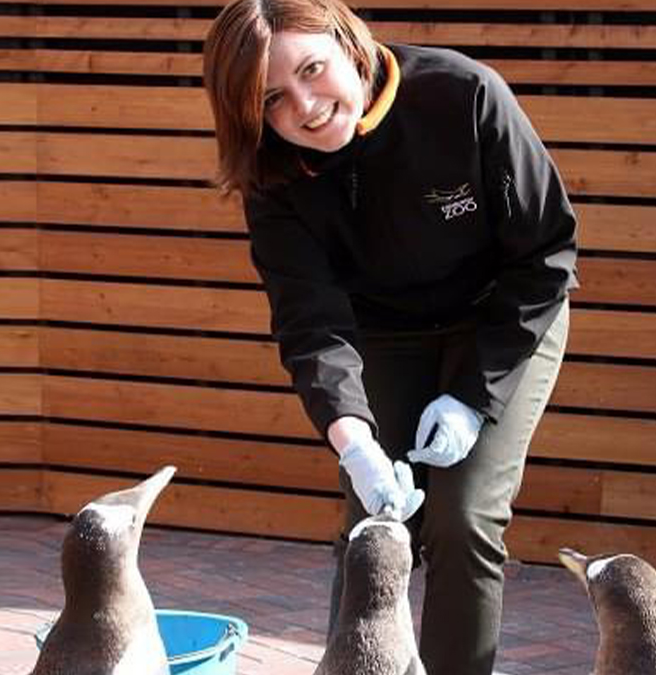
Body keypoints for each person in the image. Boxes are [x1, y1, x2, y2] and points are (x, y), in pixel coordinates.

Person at [204, 1, 577, 672]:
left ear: (347, 41)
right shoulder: (273, 174)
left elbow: (546, 256)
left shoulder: (463, 95)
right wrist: (354, 443)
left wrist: (470, 398)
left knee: (462, 521)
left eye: (313, 70)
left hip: (503, 317)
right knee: (375, 528)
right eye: (274, 100)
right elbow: (309, 321)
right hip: (383, 333)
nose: (307, 107)